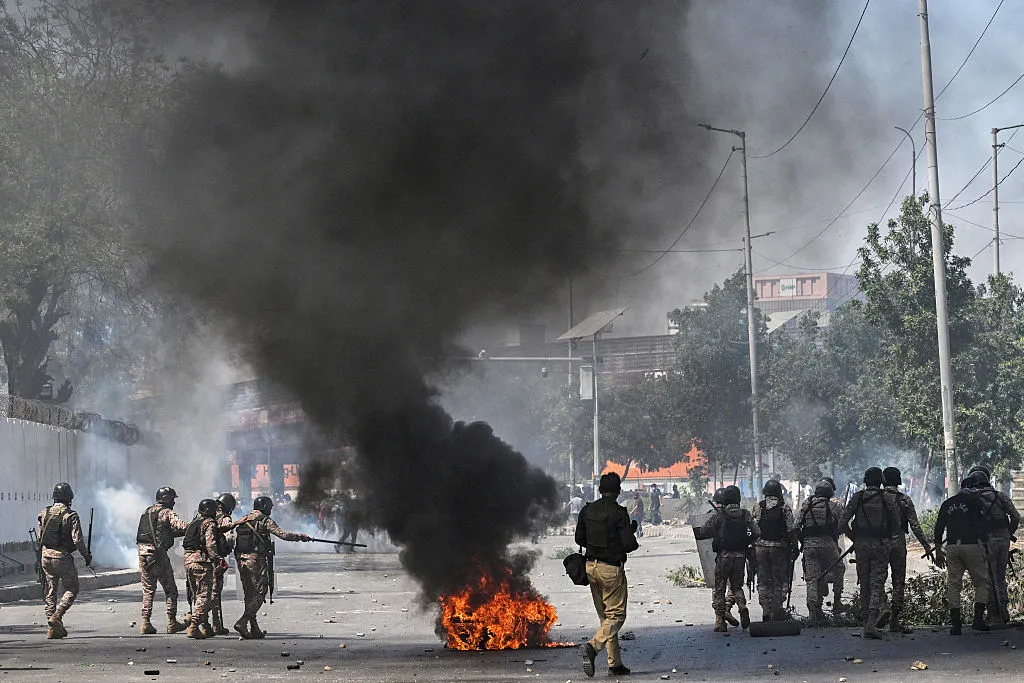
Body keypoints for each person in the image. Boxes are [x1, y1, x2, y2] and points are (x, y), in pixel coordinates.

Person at [574, 472, 639, 678]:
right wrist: (630, 531)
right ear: (618, 491)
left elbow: (579, 538)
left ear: (600, 490)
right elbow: (629, 545)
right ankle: (593, 647)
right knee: (617, 616)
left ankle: (615, 664)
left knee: (606, 618)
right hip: (611, 570)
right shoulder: (619, 513)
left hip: (591, 568)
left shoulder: (587, 509)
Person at [230, 495, 312, 639]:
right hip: (256, 560)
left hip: (241, 560)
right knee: (261, 592)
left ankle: (254, 628)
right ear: (265, 507)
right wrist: (300, 537)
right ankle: (243, 621)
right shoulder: (264, 520)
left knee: (249, 593)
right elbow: (283, 535)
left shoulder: (244, 519)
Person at [839, 467, 900, 639]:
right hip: (880, 545)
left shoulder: (857, 497)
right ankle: (871, 624)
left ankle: (866, 624)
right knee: (877, 584)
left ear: (866, 480)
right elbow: (896, 525)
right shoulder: (887, 498)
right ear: (881, 481)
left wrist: (855, 538)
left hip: (862, 546)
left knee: (864, 583)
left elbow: (842, 522)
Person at [695, 484, 759, 633]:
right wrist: (746, 542)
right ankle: (742, 606)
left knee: (720, 587)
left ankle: (720, 621)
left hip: (724, 556)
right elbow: (756, 531)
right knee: (737, 586)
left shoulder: (720, 515)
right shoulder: (745, 514)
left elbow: (704, 531)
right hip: (740, 556)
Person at [933, 477, 991, 634]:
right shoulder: (976, 503)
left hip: (952, 547)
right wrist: (986, 546)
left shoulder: (948, 503)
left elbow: (938, 529)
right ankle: (978, 620)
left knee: (954, 584)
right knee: (981, 582)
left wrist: (938, 551)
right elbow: (984, 526)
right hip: (972, 546)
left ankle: (956, 625)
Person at [880, 466, 932, 634]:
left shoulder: (876, 498)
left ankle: (883, 606)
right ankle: (894, 620)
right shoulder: (904, 500)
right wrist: (926, 546)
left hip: (879, 543)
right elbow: (915, 526)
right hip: (898, 543)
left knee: (877, 579)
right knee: (898, 581)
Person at [37, 482, 91, 639]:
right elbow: (77, 541)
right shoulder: (70, 515)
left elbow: (40, 538)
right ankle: (57, 617)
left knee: (51, 590)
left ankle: (52, 626)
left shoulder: (44, 513)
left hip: (46, 556)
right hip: (62, 557)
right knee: (72, 589)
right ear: (68, 498)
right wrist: (86, 556)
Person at [967, 466, 1020, 626]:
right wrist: (1008, 533)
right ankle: (1003, 613)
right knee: (1000, 576)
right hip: (1004, 539)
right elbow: (1016, 517)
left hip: (986, 541)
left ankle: (993, 615)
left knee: (988, 577)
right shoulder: (1001, 496)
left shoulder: (974, 499)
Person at [136, 486, 189, 635]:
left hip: (143, 554)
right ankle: (172, 623)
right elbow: (181, 525)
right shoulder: (167, 512)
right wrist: (196, 525)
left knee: (148, 590)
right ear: (167, 499)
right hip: (158, 555)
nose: (173, 502)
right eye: (172, 499)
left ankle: (145, 622)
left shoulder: (146, 511)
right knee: (171, 590)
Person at [751, 479, 797, 621]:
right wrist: (795, 547)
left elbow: (753, 529)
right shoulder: (784, 508)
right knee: (779, 580)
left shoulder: (758, 507)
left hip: (761, 549)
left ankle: (765, 609)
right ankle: (776, 609)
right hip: (779, 549)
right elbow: (791, 530)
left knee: (763, 580)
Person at [797, 480, 843, 624]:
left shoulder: (806, 504)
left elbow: (795, 526)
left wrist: (802, 541)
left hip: (809, 545)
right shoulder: (835, 506)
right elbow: (842, 526)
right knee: (839, 568)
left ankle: (812, 614)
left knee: (811, 579)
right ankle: (837, 602)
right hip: (828, 544)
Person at [182, 499, 227, 639]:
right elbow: (210, 545)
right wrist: (218, 560)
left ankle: (206, 626)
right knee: (204, 596)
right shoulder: (209, 523)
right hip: (201, 562)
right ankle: (194, 626)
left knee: (198, 595)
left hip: (188, 561)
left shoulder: (194, 523)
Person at [211, 493, 237, 635]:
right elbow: (229, 538)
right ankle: (215, 624)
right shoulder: (225, 518)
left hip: (201, 558)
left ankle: (205, 624)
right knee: (215, 592)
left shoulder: (206, 515)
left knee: (203, 592)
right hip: (216, 559)